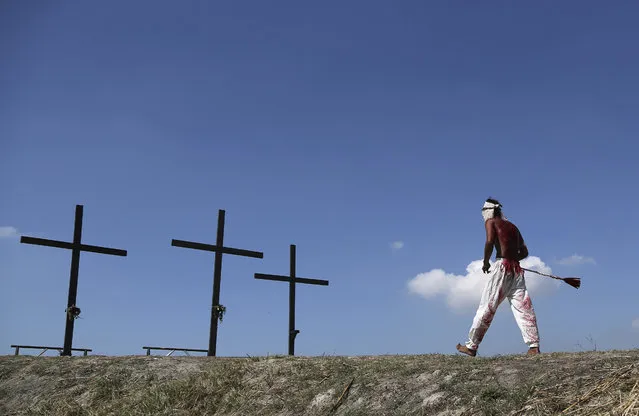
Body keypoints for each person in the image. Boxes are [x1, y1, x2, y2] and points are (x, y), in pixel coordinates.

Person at [456, 198, 540, 357]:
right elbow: (525, 252)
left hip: (502, 267)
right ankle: (534, 347)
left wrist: (486, 262)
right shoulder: (513, 227)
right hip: (516, 270)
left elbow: (489, 242)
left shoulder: (490, 222)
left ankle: (471, 346)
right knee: (523, 307)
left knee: (488, 305)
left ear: (488, 211)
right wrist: (513, 260)